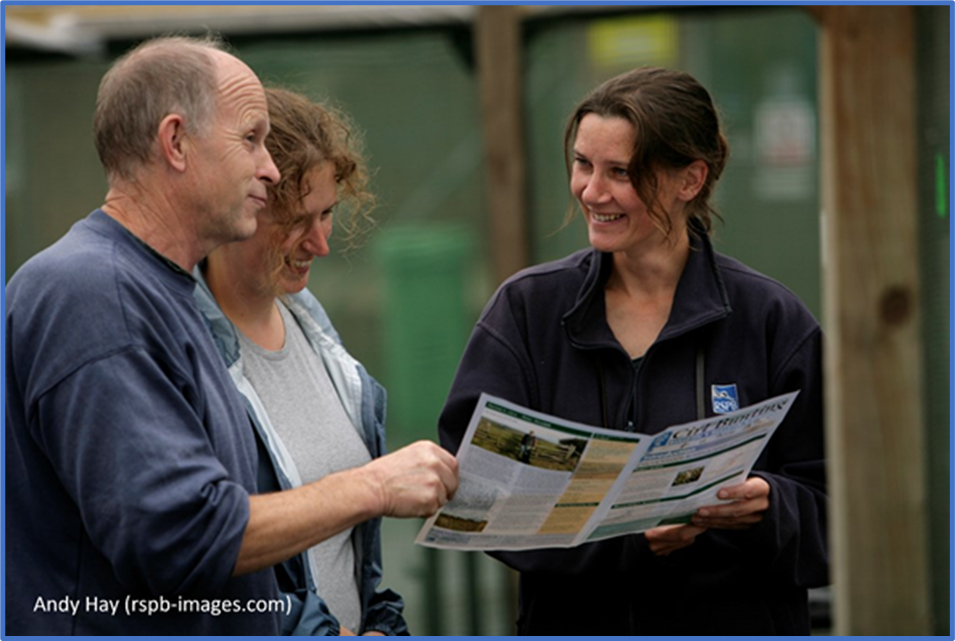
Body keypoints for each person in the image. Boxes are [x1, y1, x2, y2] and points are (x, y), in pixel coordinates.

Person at [6, 36, 457, 636]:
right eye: (251, 139)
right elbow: (179, 537)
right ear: (175, 143)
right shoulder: (92, 290)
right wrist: (374, 485)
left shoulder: (157, 292)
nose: (269, 168)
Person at [438, 67, 827, 635]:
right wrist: (626, 539)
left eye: (620, 172)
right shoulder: (526, 312)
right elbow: (473, 487)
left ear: (690, 179)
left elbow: (842, 511)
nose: (592, 192)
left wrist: (771, 507)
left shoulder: (771, 321)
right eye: (583, 164)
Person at [194, 87, 407, 635]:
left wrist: (381, 621)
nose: (319, 242)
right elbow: (193, 562)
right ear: (237, 204)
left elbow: (351, 552)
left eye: (328, 214)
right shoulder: (183, 346)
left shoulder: (310, 322)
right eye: (293, 220)